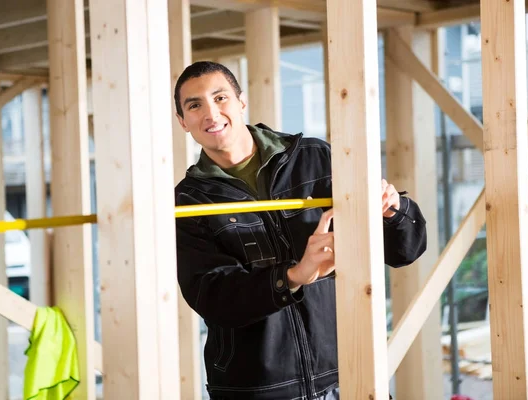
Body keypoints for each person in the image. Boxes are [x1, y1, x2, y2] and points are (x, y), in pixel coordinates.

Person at [173, 61, 427, 400]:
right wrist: (293, 276)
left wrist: (392, 211)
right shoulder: (188, 200)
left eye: (220, 98)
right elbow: (213, 296)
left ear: (241, 101)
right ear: (182, 122)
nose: (210, 112)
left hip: (350, 372)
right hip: (258, 389)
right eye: (194, 105)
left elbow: (404, 251)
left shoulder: (314, 158)